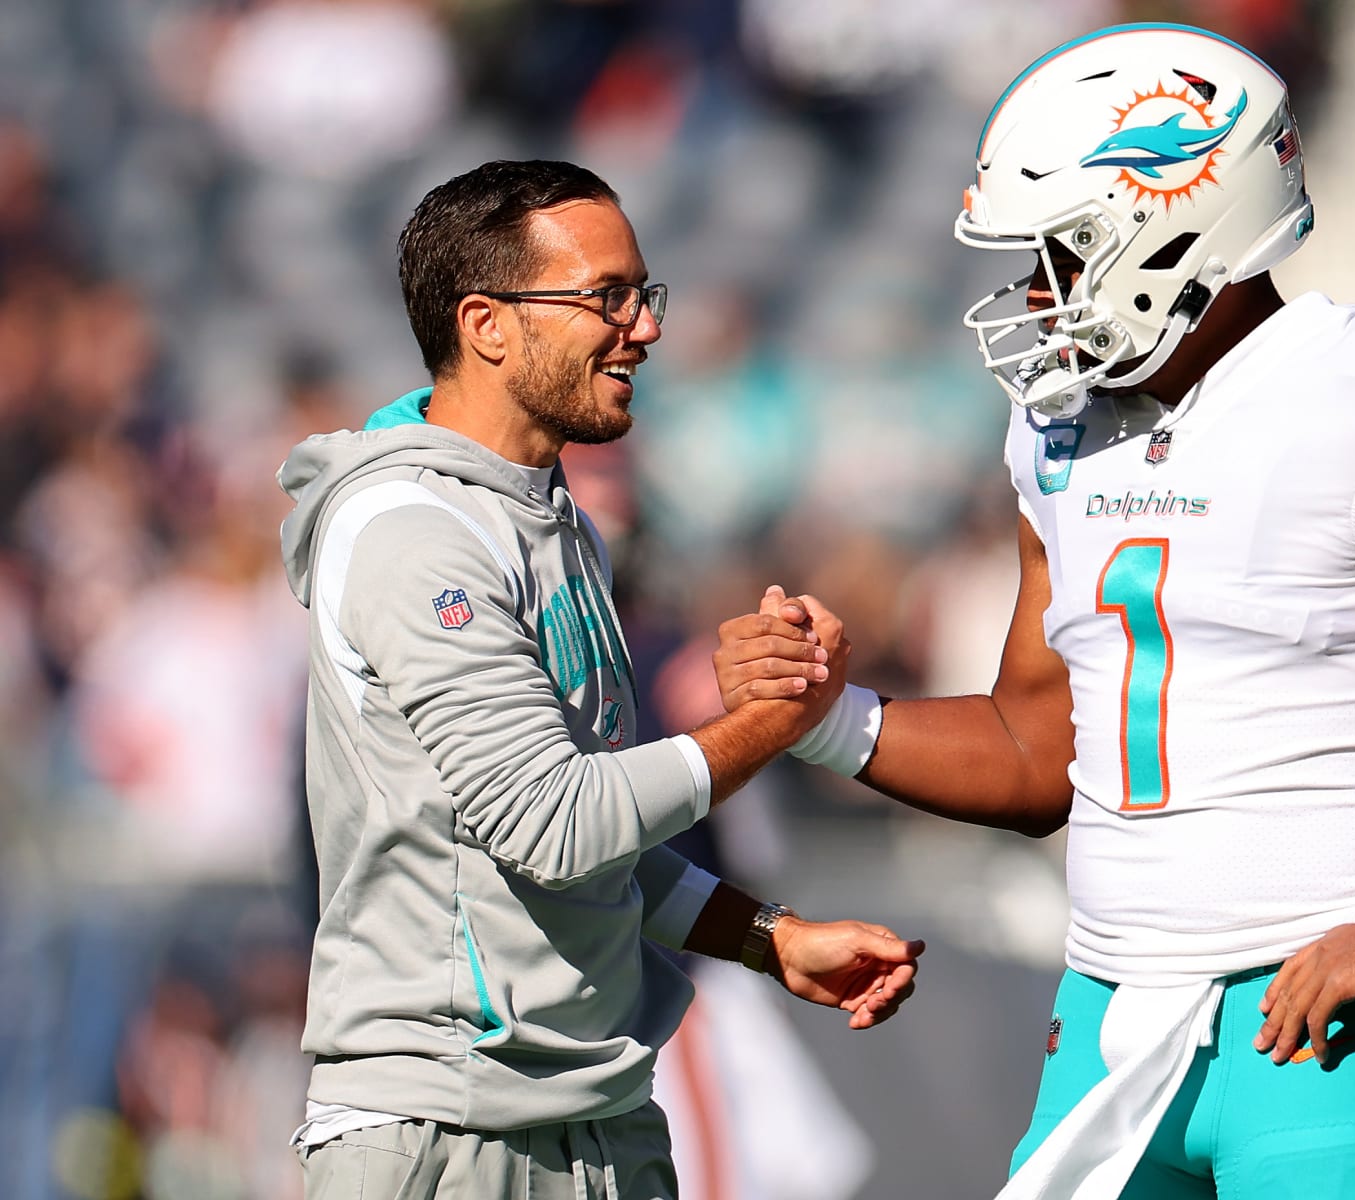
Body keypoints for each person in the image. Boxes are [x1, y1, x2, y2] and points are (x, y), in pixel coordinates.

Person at [713, 24, 1355, 1200]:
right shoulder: (1057, 430)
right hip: (1106, 1019)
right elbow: (1033, 753)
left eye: (1063, 251)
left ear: (1175, 223)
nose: (1037, 292)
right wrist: (822, 715)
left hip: (1329, 1033)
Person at [276, 159, 923, 1200]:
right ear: (487, 324)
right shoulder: (410, 531)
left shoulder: (559, 521)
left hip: (599, 1119)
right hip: (442, 1134)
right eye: (606, 297)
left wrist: (771, 939)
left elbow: (597, 851)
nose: (645, 327)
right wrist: (776, 720)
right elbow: (556, 823)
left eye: (642, 294)